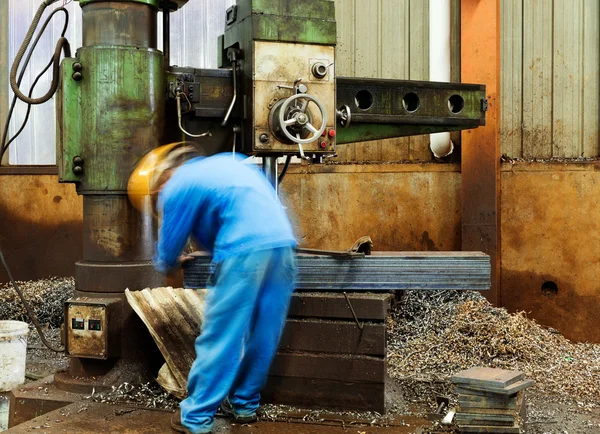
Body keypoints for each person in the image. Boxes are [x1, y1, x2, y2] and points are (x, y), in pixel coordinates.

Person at [139, 144, 298, 434]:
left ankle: (196, 416)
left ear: (164, 176)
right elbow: (235, 212)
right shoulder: (229, 162)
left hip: (244, 252)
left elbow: (169, 249)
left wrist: (170, 260)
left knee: (222, 334)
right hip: (282, 246)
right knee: (263, 333)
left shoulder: (177, 185)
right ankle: (245, 403)